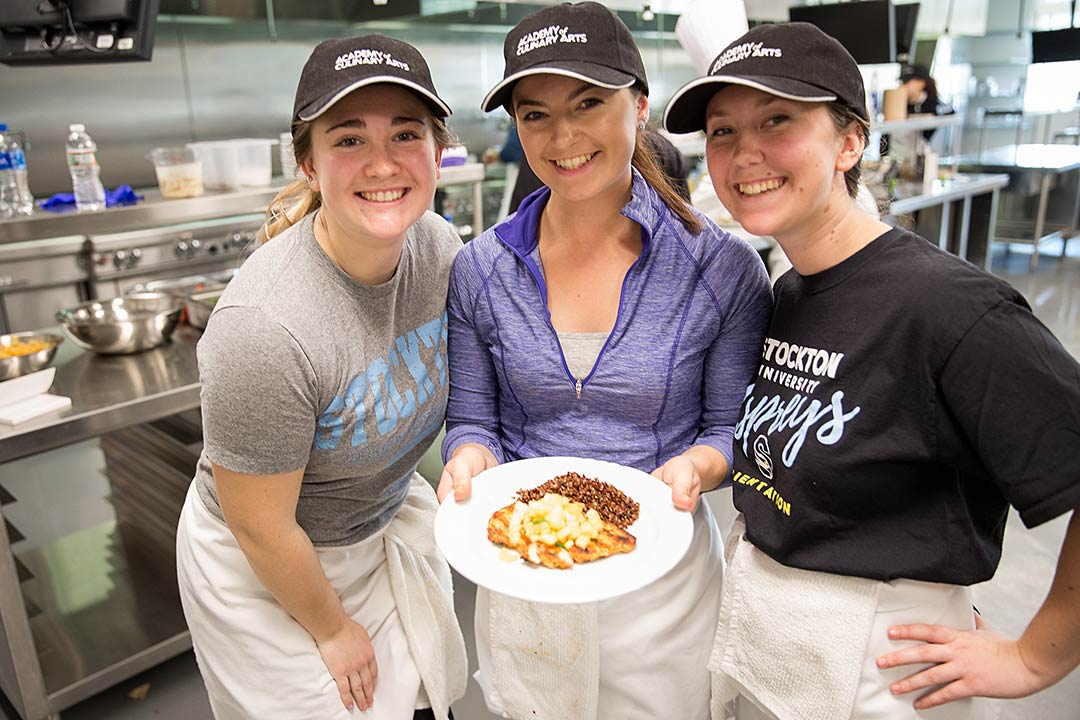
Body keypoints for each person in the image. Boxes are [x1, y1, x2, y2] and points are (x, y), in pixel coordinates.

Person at [663, 22, 1080, 720]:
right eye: (722, 131)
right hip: (770, 658)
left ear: (851, 140)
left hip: (885, 683)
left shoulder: (948, 308)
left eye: (778, 120)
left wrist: (1037, 656)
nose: (744, 154)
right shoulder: (790, 291)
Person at [437, 3, 772, 718]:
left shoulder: (720, 269)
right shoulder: (481, 270)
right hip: (526, 567)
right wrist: (467, 457)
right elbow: (472, 418)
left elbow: (726, 430)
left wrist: (698, 466)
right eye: (535, 114)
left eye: (589, 103)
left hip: (661, 585)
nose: (563, 137)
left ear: (640, 105)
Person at [175, 35, 467, 720]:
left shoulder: (439, 247)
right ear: (308, 163)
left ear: (437, 150)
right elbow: (263, 529)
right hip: (269, 566)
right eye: (348, 140)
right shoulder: (266, 329)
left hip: (375, 527)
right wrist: (332, 629)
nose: (382, 163)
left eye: (405, 133)